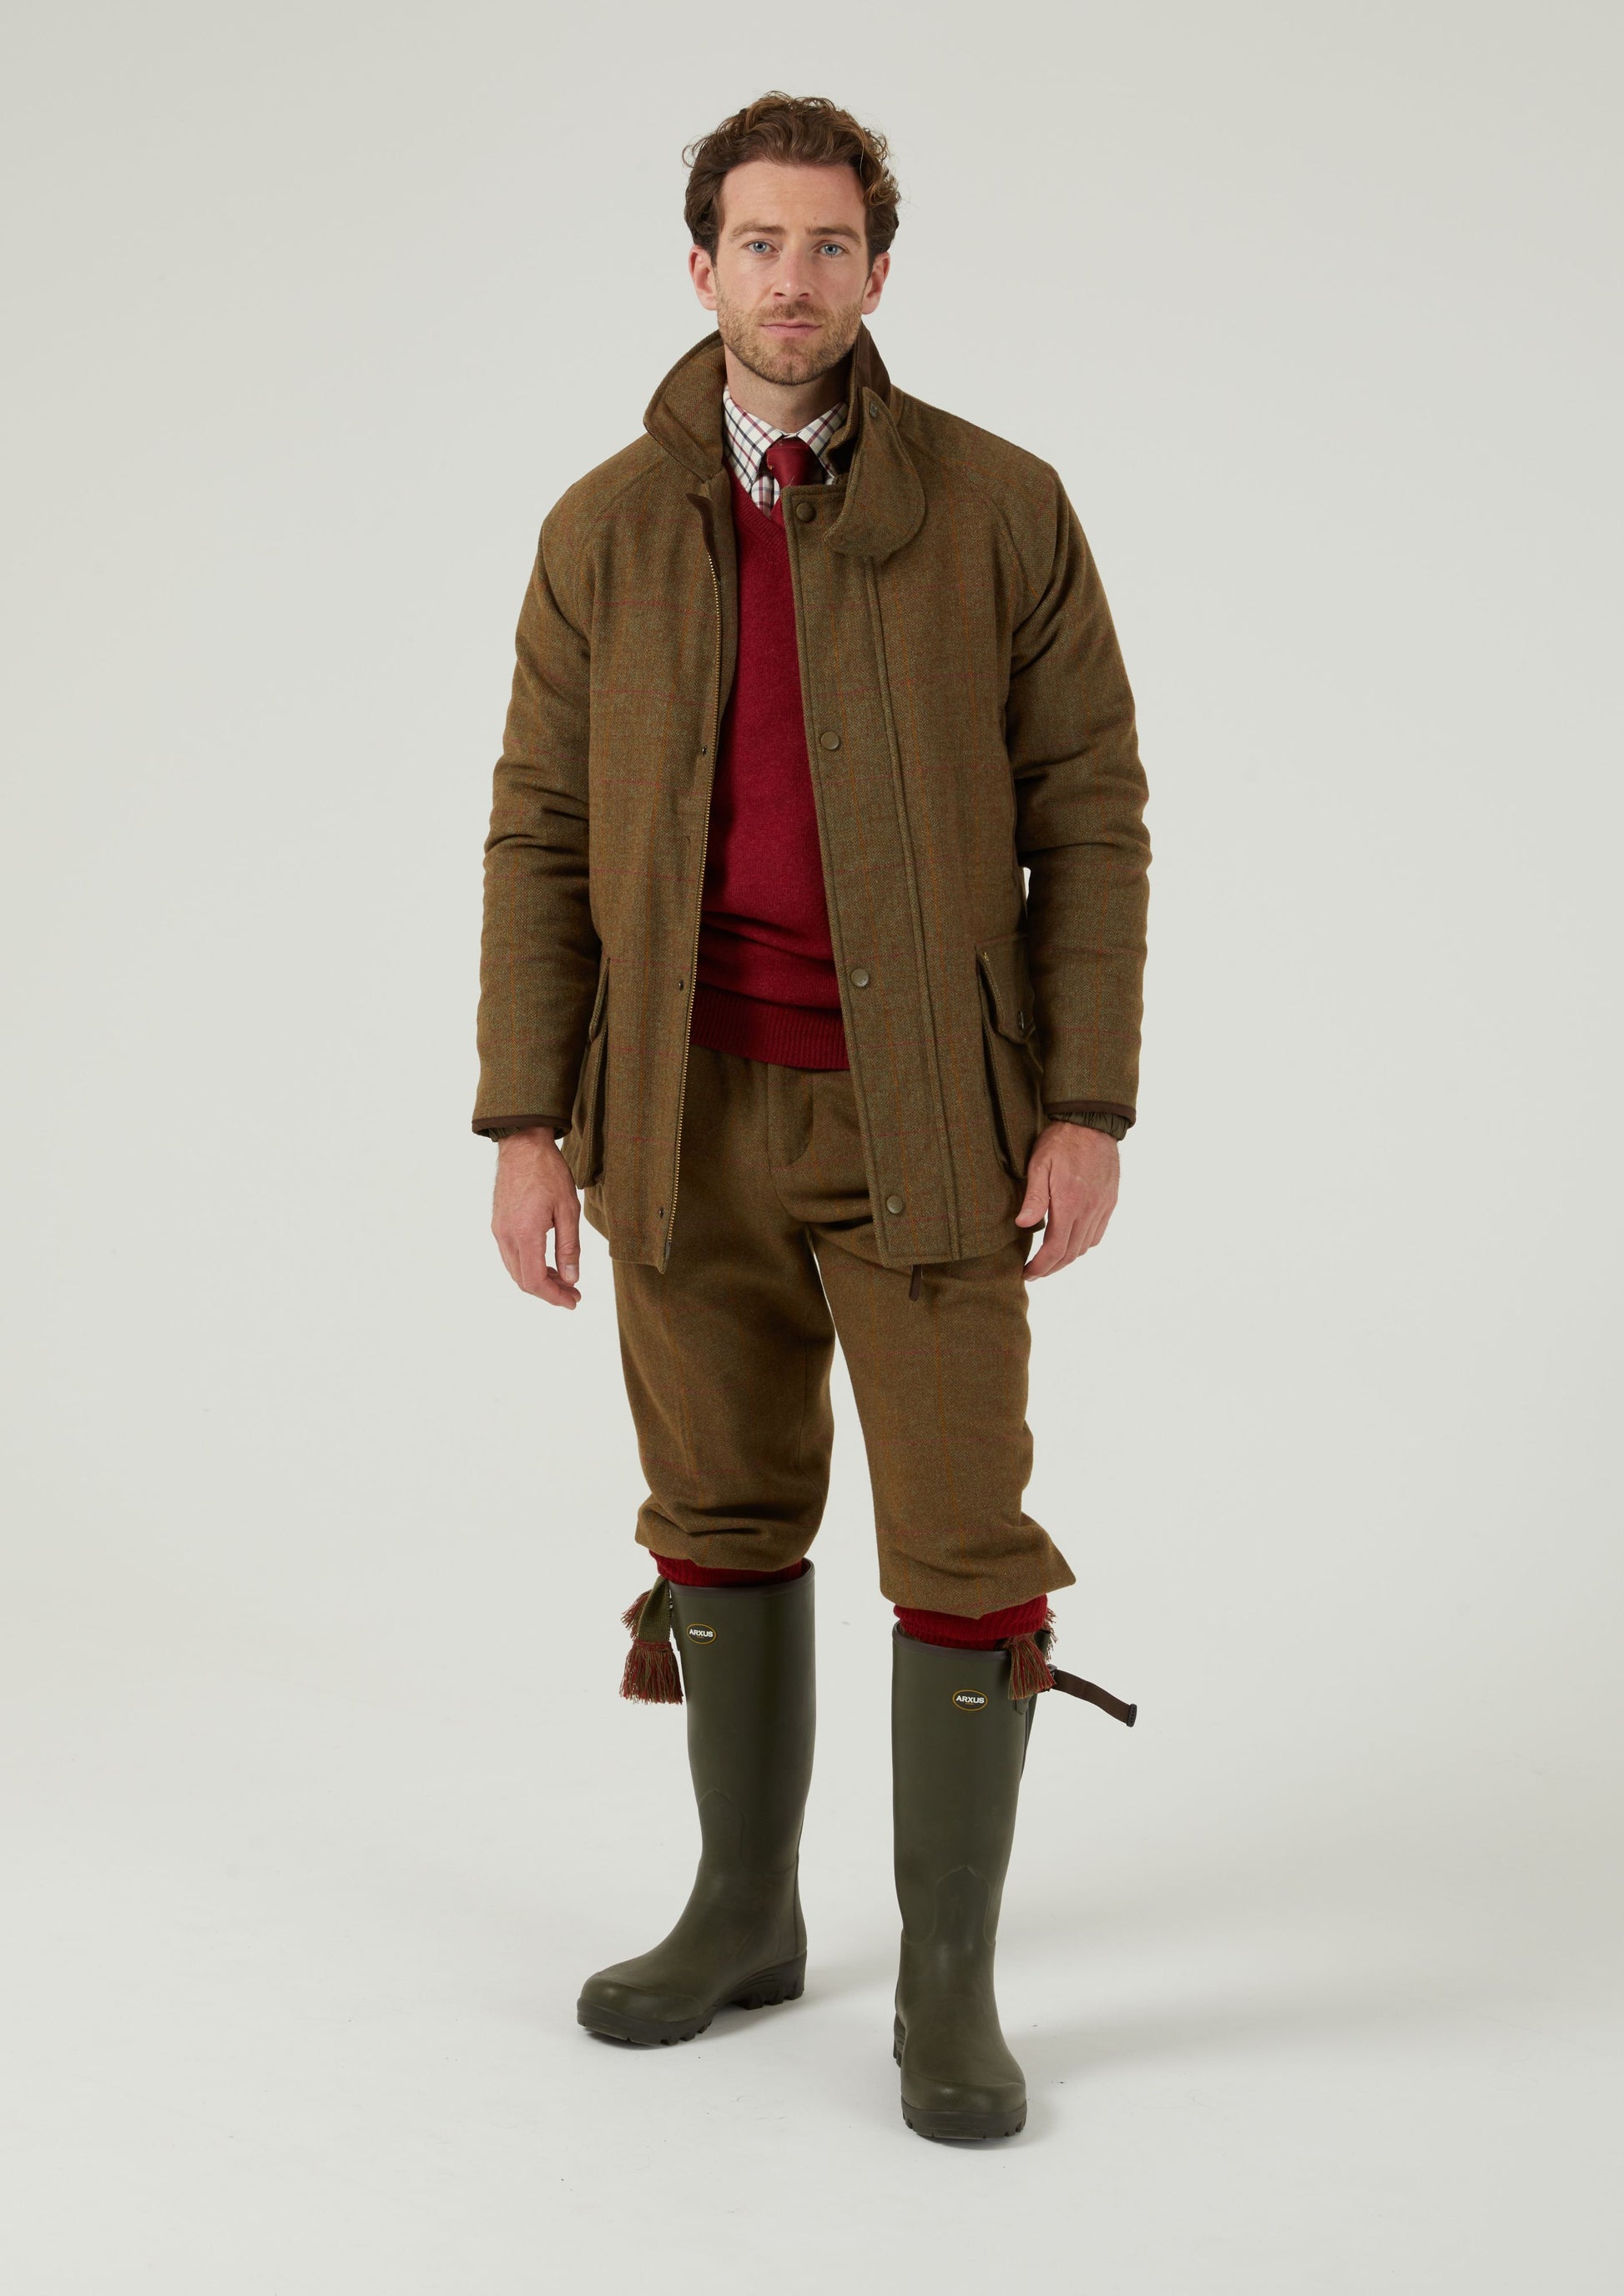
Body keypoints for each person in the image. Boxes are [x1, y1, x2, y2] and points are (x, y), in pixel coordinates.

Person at [472, 91, 1150, 2142]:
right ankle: (741, 1911)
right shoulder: (603, 527)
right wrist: (527, 1119)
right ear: (701, 266)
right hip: (672, 1120)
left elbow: (1090, 816)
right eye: (757, 242)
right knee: (716, 1512)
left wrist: (1087, 1100)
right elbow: (538, 830)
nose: (792, 278)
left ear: (878, 269)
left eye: (829, 243)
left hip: (933, 1117)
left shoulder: (1001, 506)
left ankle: (947, 1985)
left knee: (960, 1537)